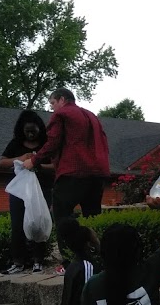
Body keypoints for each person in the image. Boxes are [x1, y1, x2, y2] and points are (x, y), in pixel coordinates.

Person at [21, 87, 110, 262]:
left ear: (62, 99)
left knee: (62, 216)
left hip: (73, 172)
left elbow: (53, 142)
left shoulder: (62, 114)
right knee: (92, 216)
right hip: (97, 173)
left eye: (53, 103)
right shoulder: (92, 116)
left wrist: (34, 161)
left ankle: (70, 260)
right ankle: (98, 257)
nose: (52, 107)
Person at [0, 109, 53, 274]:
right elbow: (1, 163)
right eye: (27, 131)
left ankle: (38, 261)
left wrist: (38, 164)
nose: (30, 134)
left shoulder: (46, 145)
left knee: (38, 223)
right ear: (21, 129)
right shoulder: (15, 144)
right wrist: (21, 159)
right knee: (17, 225)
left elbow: (56, 166)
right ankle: (18, 262)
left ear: (40, 129)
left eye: (33, 131)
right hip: (20, 191)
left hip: (41, 190)